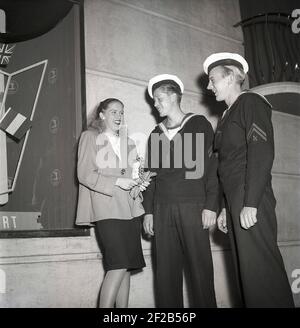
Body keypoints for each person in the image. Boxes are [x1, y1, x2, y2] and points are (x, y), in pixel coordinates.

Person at [203, 52, 294, 307]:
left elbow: (261, 151)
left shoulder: (251, 102)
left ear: (231, 77)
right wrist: (223, 208)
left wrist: (251, 202)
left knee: (261, 273)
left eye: (213, 80)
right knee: (247, 276)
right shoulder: (225, 116)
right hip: (235, 200)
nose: (209, 87)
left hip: (251, 197)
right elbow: (224, 165)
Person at [143, 74, 218, 308]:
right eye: (154, 100)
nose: (155, 104)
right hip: (162, 209)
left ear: (175, 96)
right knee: (165, 275)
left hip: (193, 206)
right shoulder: (155, 134)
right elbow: (151, 177)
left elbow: (212, 168)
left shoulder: (199, 124)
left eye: (159, 98)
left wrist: (211, 205)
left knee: (200, 273)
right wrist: (148, 211)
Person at [75, 98, 149, 308]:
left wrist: (140, 181)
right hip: (106, 210)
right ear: (102, 114)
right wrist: (118, 181)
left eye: (122, 112)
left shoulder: (129, 143)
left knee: (125, 267)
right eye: (114, 111)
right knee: (117, 266)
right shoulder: (90, 137)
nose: (119, 116)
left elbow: (134, 175)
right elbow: (85, 174)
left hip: (130, 212)